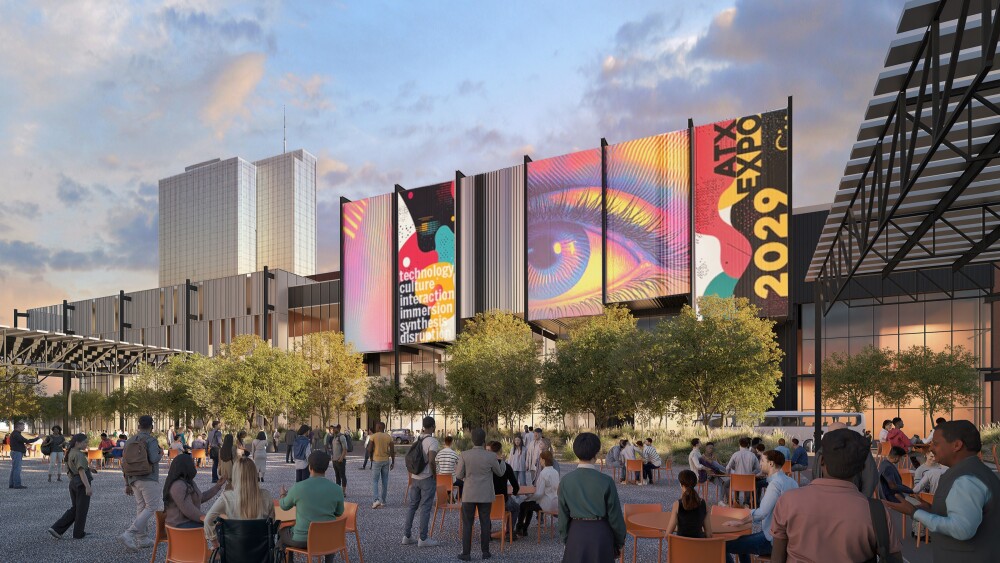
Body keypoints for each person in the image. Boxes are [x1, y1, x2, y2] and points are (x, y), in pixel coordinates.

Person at [770, 428, 902, 563]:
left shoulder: (788, 500)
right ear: (861, 468)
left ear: (821, 461)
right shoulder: (876, 511)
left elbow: (777, 557)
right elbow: (894, 558)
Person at [884, 420, 1000, 561]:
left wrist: (914, 512)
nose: (931, 447)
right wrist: (933, 509)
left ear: (957, 445)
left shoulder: (966, 479)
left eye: (936, 443)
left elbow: (962, 529)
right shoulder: (974, 472)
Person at [557, 432, 626, 562]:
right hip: (601, 534)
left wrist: (567, 538)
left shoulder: (566, 481)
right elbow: (615, 516)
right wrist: (619, 542)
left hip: (576, 533)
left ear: (576, 451)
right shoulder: (606, 481)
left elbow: (563, 515)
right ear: (596, 453)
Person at [723, 450, 798, 563]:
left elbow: (762, 512)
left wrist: (741, 521)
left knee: (723, 545)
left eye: (762, 460)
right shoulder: (792, 482)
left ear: (771, 464)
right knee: (742, 543)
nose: (760, 463)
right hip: (789, 539)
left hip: (772, 541)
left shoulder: (775, 484)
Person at [277, 451, 345, 563]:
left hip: (303, 540)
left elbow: (284, 506)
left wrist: (283, 494)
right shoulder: (337, 489)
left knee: (282, 533)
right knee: (328, 532)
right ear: (326, 468)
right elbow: (339, 513)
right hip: (328, 540)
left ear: (310, 467)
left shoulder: (298, 487)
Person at [456, 428, 506, 560]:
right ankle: (485, 552)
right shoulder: (490, 456)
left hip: (469, 494)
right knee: (485, 523)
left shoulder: (464, 454)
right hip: (485, 494)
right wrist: (504, 461)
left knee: (468, 524)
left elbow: (459, 475)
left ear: (472, 440)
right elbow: (500, 473)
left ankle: (466, 553)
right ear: (484, 440)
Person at [204, 457, 274, 548]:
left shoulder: (226, 497)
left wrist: (215, 544)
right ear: (254, 474)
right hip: (261, 552)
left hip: (234, 551)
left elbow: (208, 520)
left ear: (235, 475)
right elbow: (272, 523)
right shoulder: (266, 496)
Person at [119, 415, 164, 552]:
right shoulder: (151, 440)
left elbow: (124, 463)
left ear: (138, 426)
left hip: (133, 478)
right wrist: (161, 453)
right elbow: (153, 458)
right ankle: (129, 533)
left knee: (141, 506)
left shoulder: (130, 441)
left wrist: (127, 482)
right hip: (148, 477)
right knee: (151, 506)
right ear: (152, 426)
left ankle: (142, 538)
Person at [402, 416, 441, 548]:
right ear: (433, 426)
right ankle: (423, 538)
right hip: (426, 478)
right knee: (425, 508)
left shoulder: (418, 438)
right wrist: (435, 475)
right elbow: (431, 460)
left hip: (415, 477)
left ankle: (406, 536)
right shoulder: (432, 441)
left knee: (412, 506)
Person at [48, 433, 94, 540]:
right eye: (85, 442)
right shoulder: (79, 454)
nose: (86, 444)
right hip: (81, 483)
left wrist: (89, 469)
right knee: (81, 509)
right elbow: (81, 471)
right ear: (78, 443)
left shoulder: (70, 452)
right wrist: (87, 486)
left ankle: (57, 529)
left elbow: (73, 468)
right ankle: (78, 533)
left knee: (76, 508)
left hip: (73, 482)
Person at [162, 453, 225, 528]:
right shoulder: (178, 486)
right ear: (187, 466)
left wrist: (217, 486)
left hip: (188, 522)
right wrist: (210, 520)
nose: (194, 465)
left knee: (221, 523)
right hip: (178, 526)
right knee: (218, 526)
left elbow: (200, 497)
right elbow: (190, 512)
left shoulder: (188, 481)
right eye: (192, 463)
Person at [516, 450, 559, 537]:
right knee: (528, 505)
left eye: (540, 459)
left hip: (545, 504)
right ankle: (523, 530)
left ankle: (519, 529)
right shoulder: (555, 472)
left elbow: (539, 494)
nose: (539, 461)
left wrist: (529, 498)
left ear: (543, 460)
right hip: (555, 502)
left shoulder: (543, 473)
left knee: (523, 505)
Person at [665, 470, 712, 538]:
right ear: (695, 484)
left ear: (681, 484)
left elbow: (667, 536)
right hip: (699, 547)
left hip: (681, 546)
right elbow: (709, 535)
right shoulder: (704, 504)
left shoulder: (677, 504)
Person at [488, 441, 521, 538]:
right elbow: (515, 485)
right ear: (500, 451)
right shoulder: (507, 467)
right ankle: (509, 532)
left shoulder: (486, 467)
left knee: (485, 509)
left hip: (488, 500)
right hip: (503, 501)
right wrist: (514, 493)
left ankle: (487, 533)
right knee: (516, 508)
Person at [722, 437, 760, 505]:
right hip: (749, 482)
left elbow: (728, 467)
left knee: (726, 485)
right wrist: (751, 473)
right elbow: (758, 469)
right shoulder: (752, 455)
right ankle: (747, 503)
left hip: (736, 481)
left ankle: (732, 501)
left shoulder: (736, 454)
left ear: (739, 444)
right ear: (748, 445)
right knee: (749, 482)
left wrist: (729, 474)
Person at [368, 421, 394, 508]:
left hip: (376, 460)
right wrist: (393, 462)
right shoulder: (388, 437)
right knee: (385, 481)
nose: (375, 428)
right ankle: (383, 501)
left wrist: (371, 457)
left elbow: (370, 449)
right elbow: (392, 451)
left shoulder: (373, 436)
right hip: (386, 461)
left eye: (376, 427)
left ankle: (376, 500)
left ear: (379, 427)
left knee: (375, 481)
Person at [8, 422, 40, 489]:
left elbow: (21, 442)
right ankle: (17, 484)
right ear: (18, 426)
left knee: (14, 468)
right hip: (17, 452)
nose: (24, 427)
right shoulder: (16, 434)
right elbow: (26, 441)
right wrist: (38, 438)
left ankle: (12, 484)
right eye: (23, 426)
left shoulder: (15, 434)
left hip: (15, 451)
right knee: (17, 469)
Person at [327, 424, 348, 493]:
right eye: (333, 428)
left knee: (342, 476)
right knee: (337, 476)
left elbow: (345, 449)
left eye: (335, 428)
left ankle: (343, 492)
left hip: (340, 460)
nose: (333, 429)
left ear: (339, 428)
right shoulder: (334, 437)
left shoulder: (341, 437)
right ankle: (338, 491)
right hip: (335, 460)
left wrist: (341, 458)